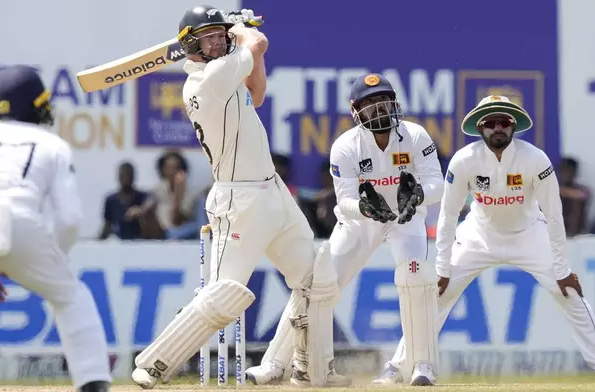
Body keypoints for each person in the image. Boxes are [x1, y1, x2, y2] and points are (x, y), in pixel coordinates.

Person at [131, 6, 347, 388]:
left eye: (219, 34)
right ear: (190, 46)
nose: (218, 41)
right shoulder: (208, 79)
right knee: (222, 297)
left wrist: (242, 39)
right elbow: (258, 41)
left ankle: (309, 369)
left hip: (273, 192)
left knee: (316, 282)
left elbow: (258, 93)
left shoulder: (226, 71)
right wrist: (240, 28)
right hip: (239, 200)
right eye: (209, 37)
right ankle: (154, 364)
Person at [377, 95, 595, 385]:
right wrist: (442, 269)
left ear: (513, 126)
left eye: (504, 122)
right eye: (490, 123)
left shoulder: (535, 159)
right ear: (480, 128)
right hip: (479, 235)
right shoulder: (464, 160)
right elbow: (448, 216)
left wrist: (561, 268)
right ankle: (403, 367)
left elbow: (554, 216)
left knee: (567, 292)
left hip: (529, 234)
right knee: (435, 295)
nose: (498, 129)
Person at [246, 73, 444, 386]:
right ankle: (274, 363)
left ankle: (422, 366)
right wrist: (366, 208)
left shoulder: (416, 135)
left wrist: (418, 193)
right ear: (356, 110)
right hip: (360, 224)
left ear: (395, 103)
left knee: (416, 281)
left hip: (406, 219)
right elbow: (347, 201)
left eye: (384, 100)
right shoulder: (345, 147)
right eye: (371, 103)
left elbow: (437, 184)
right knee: (318, 287)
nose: (379, 108)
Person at [0, 65, 111, 392]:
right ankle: (93, 383)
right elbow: (69, 219)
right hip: (18, 219)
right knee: (70, 297)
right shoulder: (50, 143)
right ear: (34, 104)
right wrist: (54, 262)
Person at [99, 161, 150, 240]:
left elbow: (153, 201)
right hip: (119, 240)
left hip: (140, 239)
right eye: (123, 175)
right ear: (118, 177)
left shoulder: (143, 197)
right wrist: (99, 241)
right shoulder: (111, 200)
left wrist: (140, 210)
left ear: (133, 177)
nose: (126, 178)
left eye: (128, 175)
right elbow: (108, 224)